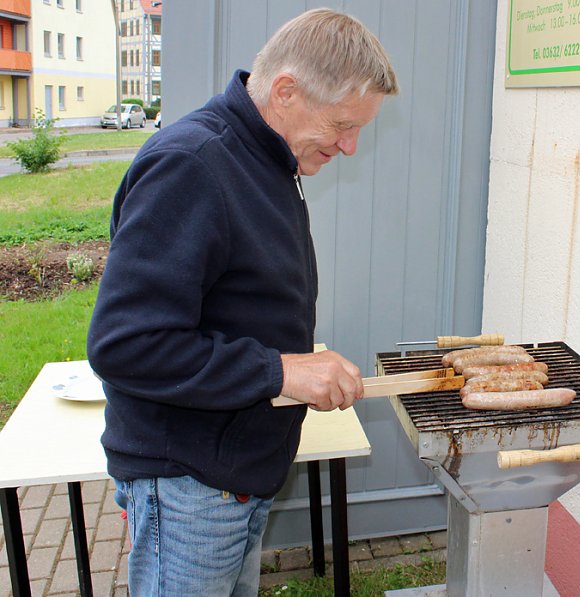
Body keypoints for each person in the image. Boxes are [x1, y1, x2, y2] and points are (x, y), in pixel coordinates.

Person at [86, 9, 398, 596]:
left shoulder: (268, 159)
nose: (351, 146)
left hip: (235, 479)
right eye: (341, 125)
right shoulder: (192, 165)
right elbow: (126, 344)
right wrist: (282, 371)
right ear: (286, 92)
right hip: (189, 487)